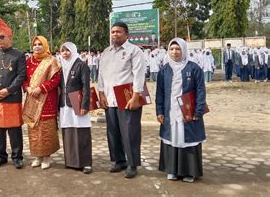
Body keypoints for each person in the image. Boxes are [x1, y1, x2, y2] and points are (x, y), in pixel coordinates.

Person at [98, 21, 147, 179]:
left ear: (126, 34)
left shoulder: (134, 51)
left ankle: (132, 164)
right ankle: (119, 161)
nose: (115, 34)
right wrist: (101, 93)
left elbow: (139, 74)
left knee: (130, 132)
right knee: (113, 131)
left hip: (127, 97)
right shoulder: (106, 52)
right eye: (113, 32)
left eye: (118, 32)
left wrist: (135, 97)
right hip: (110, 98)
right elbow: (101, 74)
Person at [156, 38, 206, 183]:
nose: (174, 52)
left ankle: (189, 172)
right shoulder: (164, 70)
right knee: (173, 138)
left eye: (178, 49)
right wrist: (159, 111)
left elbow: (201, 91)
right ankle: (172, 170)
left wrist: (199, 110)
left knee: (188, 139)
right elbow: (160, 92)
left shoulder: (194, 68)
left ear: (183, 50)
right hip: (170, 111)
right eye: (172, 49)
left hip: (188, 112)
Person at [0, 17, 26, 169]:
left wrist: (8, 90)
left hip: (12, 98)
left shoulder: (18, 55)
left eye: (2, 37)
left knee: (14, 129)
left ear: (10, 37)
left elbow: (21, 76)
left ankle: (17, 157)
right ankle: (1, 156)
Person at [22, 36, 61, 170]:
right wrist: (27, 88)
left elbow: (56, 80)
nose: (37, 47)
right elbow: (24, 78)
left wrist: (41, 88)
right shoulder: (28, 61)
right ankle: (38, 156)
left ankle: (47, 157)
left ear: (45, 46)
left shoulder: (51, 61)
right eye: (35, 44)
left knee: (46, 128)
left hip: (47, 98)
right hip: (32, 98)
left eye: (40, 44)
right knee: (34, 128)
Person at [58, 42, 93, 174]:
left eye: (68, 50)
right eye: (63, 51)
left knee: (82, 132)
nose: (65, 53)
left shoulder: (81, 65)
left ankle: (86, 163)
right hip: (65, 105)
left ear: (73, 51)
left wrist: (85, 105)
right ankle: (71, 162)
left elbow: (86, 87)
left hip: (77, 103)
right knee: (68, 132)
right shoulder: (61, 66)